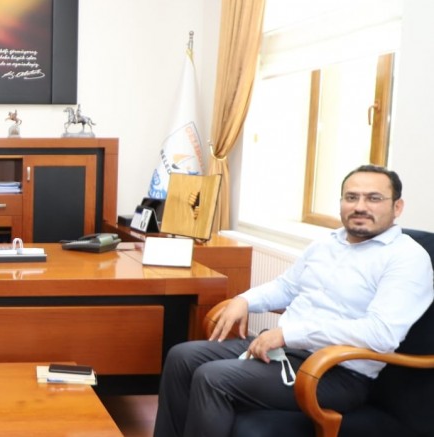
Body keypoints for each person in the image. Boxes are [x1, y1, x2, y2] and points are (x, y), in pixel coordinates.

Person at [153, 165, 434, 437]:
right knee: (182, 357)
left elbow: (381, 333)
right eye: (351, 197)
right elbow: (286, 287)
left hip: (335, 373)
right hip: (287, 354)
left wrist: (289, 334)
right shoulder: (327, 243)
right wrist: (244, 300)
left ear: (397, 207)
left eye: (374, 198)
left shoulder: (406, 258)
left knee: (214, 378)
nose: (360, 206)